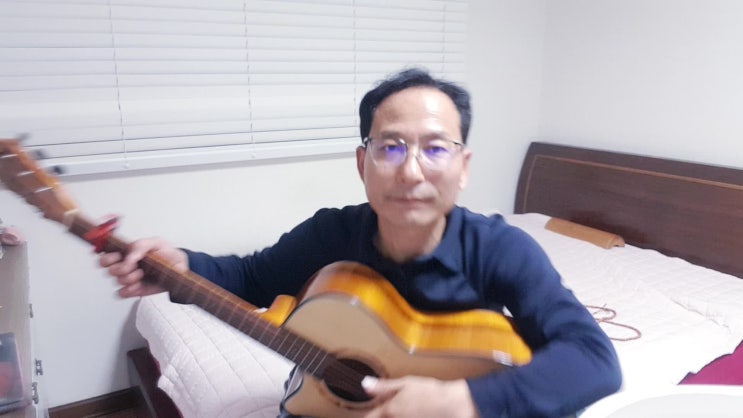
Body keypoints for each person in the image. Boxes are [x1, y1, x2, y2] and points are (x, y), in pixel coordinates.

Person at [99, 68, 622, 417]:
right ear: (361, 163)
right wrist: (179, 265)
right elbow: (251, 277)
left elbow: (594, 360)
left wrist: (460, 400)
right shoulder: (332, 234)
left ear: (463, 168)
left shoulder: (500, 248)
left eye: (435, 149)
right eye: (390, 147)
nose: (411, 170)